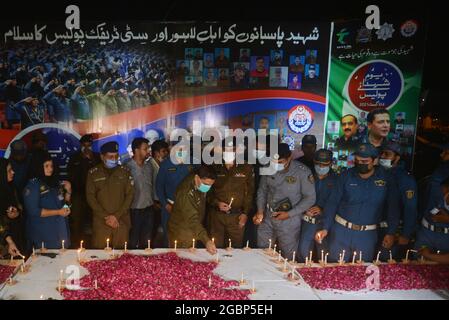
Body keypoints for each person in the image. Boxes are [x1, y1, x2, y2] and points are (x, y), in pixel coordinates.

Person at [315, 143, 400, 262]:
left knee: (361, 272)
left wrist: (391, 232)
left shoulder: (386, 180)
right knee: (335, 270)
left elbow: (393, 208)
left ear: (375, 161)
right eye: (357, 160)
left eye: (364, 161)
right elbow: (332, 203)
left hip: (367, 235)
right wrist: (325, 228)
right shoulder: (345, 176)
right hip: (341, 231)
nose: (360, 164)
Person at [254, 143, 316, 260]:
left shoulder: (302, 172)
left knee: (289, 255)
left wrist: (289, 214)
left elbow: (310, 198)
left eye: (280, 162)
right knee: (262, 252)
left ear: (289, 158)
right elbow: (262, 191)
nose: (276, 165)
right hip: (268, 216)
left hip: (289, 220)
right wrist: (260, 211)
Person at [86, 141, 134, 249]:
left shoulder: (125, 172)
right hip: (101, 222)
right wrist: (106, 217)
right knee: (100, 256)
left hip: (120, 221)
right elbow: (90, 197)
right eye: (110, 156)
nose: (114, 159)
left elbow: (130, 195)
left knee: (122, 256)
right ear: (102, 157)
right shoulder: (93, 173)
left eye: (116, 156)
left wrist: (116, 216)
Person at [208, 138, 255, 248]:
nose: (229, 152)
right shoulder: (214, 166)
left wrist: (245, 213)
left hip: (236, 217)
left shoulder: (246, 167)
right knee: (215, 249)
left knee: (234, 250)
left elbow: (250, 192)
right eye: (226, 149)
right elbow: (207, 191)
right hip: (217, 217)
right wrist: (217, 203)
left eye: (232, 149)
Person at [23, 152, 72, 250]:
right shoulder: (32, 186)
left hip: (60, 230)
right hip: (44, 233)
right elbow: (34, 211)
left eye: (51, 166)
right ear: (38, 166)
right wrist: (58, 212)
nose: (50, 169)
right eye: (46, 166)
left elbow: (63, 205)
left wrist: (69, 192)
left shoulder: (54, 183)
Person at [377, 142, 417, 260]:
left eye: (387, 154)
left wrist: (405, 234)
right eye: (382, 153)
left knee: (384, 263)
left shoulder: (406, 179)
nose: (383, 156)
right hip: (373, 228)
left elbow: (410, 209)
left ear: (397, 158)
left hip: (393, 230)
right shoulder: (377, 173)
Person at [167, 165, 217, 255]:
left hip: (193, 230)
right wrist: (207, 241)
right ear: (197, 177)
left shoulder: (198, 182)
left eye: (211, 185)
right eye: (206, 184)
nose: (208, 188)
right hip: (182, 234)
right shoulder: (185, 193)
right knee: (182, 261)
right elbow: (192, 219)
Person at [298, 149, 337, 262]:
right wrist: (304, 208)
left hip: (325, 223)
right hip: (307, 222)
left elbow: (337, 203)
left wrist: (322, 209)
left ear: (330, 163)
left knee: (324, 256)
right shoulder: (307, 177)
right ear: (314, 162)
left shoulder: (337, 180)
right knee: (303, 253)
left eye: (324, 164)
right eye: (318, 164)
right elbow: (297, 196)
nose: (320, 167)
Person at [156, 143, 193, 247]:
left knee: (188, 237)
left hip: (188, 207)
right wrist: (165, 204)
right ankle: (168, 261)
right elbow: (159, 187)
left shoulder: (193, 162)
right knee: (169, 237)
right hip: (170, 207)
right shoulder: (166, 164)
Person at [67, 134, 101, 248]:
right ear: (80, 145)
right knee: (77, 220)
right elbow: (70, 176)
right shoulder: (74, 158)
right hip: (78, 194)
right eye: (84, 145)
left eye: (89, 145)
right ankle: (78, 245)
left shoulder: (97, 157)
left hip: (95, 195)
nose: (86, 148)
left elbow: (101, 174)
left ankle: (95, 245)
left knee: (95, 220)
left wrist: (91, 160)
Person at [125, 138, 154, 249]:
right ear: (136, 150)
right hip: (134, 209)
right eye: (145, 149)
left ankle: (145, 264)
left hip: (149, 208)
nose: (148, 151)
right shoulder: (127, 167)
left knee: (147, 241)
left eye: (148, 149)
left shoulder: (149, 166)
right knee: (133, 240)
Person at [414, 177, 449, 254]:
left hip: (446, 239)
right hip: (426, 233)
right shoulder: (435, 181)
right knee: (419, 263)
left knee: (443, 265)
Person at [0, 158, 22, 257]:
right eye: (9, 170)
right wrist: (9, 241)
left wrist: (17, 212)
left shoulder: (11, 188)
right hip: (4, 243)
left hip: (15, 236)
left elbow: (20, 207)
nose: (13, 172)